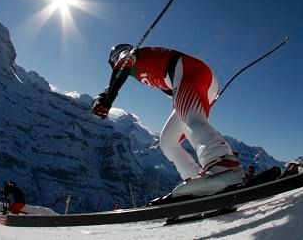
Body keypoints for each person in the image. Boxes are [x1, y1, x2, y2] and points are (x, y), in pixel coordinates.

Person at [91, 44, 244, 198]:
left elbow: (123, 65)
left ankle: (223, 164)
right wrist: (105, 93)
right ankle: (198, 181)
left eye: (114, 64)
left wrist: (108, 98)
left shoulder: (129, 54)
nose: (116, 67)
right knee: (168, 142)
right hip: (196, 79)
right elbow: (171, 89)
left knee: (190, 120)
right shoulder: (144, 71)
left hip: (191, 73)